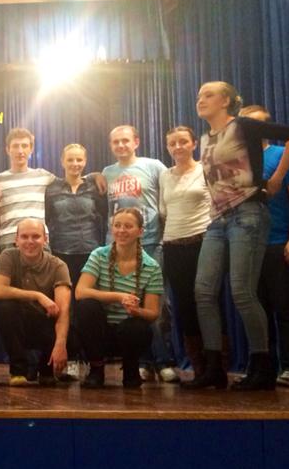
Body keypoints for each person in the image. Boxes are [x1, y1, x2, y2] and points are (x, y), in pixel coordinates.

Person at [193, 84, 289, 389]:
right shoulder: (206, 139)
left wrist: (277, 178)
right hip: (218, 219)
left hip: (248, 214)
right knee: (203, 291)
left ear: (226, 100)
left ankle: (263, 366)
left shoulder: (243, 125)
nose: (200, 99)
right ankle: (214, 368)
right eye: (199, 95)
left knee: (242, 291)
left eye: (208, 95)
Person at [102, 124, 177, 381]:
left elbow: (168, 200)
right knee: (131, 304)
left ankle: (164, 361)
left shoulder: (154, 166)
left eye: (125, 140)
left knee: (158, 305)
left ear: (136, 142)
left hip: (152, 244)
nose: (121, 145)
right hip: (119, 248)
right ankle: (143, 361)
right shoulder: (107, 172)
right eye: (115, 142)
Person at [241, 105, 289, 387]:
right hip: (247, 249)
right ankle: (263, 370)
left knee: (286, 309)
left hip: (279, 243)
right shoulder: (237, 162)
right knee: (256, 311)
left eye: (258, 124)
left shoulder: (282, 155)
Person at [74, 208, 162, 388]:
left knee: (138, 327)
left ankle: (131, 369)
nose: (121, 230)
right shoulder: (99, 255)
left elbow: (153, 313)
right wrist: (119, 297)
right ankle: (96, 369)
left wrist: (137, 311)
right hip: (100, 332)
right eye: (117, 225)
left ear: (140, 231)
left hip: (127, 332)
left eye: (128, 226)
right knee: (86, 306)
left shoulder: (151, 266)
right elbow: (80, 292)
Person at [157, 126, 211, 386]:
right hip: (172, 246)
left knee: (207, 302)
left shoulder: (205, 169)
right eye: (172, 143)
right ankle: (199, 369)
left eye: (182, 142)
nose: (177, 147)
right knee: (185, 306)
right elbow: (164, 212)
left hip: (203, 242)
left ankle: (217, 366)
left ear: (194, 144)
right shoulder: (164, 176)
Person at [0, 219, 72, 386]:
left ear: (45, 239)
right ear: (16, 240)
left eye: (36, 236)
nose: (30, 241)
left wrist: (60, 344)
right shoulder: (8, 256)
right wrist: (37, 295)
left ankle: (45, 368)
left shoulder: (59, 266)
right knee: (4, 308)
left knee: (67, 324)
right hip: (19, 323)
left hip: (46, 325)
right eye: (24, 237)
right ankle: (18, 371)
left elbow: (63, 310)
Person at [44, 143, 107, 286]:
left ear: (85, 161)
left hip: (91, 252)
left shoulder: (94, 187)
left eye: (79, 160)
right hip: (60, 251)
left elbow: (103, 217)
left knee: (88, 296)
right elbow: (47, 219)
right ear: (62, 162)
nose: (75, 163)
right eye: (70, 160)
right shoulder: (51, 189)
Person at [0, 128, 57, 253]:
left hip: (38, 239)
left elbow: (69, 182)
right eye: (15, 146)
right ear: (8, 150)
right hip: (9, 240)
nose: (20, 151)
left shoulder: (43, 176)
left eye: (24, 146)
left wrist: (92, 177)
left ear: (31, 149)